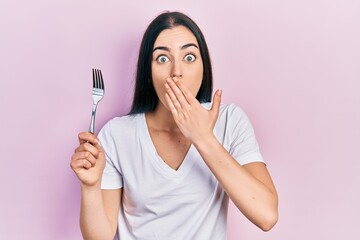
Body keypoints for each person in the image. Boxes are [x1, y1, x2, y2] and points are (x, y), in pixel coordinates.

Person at [71, 11, 278, 240]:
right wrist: (90, 188)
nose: (176, 72)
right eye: (162, 58)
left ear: (203, 67)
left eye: (189, 57)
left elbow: (266, 216)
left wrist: (203, 138)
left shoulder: (230, 121)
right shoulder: (117, 134)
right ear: (148, 73)